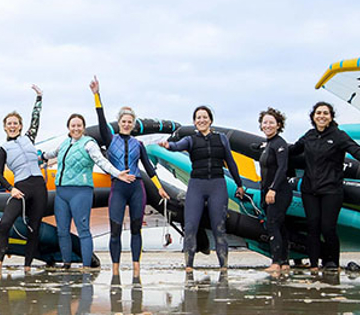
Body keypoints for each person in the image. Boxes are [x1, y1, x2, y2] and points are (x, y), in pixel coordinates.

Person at [89, 77, 170, 276]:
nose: (126, 124)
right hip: (118, 187)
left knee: (136, 230)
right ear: (119, 123)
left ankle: (136, 267)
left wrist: (159, 187)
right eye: (123, 121)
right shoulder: (110, 139)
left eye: (129, 122)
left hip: (136, 188)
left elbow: (149, 168)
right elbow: (100, 122)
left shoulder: (138, 144)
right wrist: (97, 96)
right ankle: (115, 269)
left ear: (133, 124)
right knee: (115, 230)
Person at [290, 101, 360, 271]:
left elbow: (357, 152)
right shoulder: (308, 135)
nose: (322, 116)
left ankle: (332, 263)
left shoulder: (339, 136)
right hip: (310, 189)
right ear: (313, 117)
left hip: (332, 190)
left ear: (331, 117)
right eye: (318, 113)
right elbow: (293, 150)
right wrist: (272, 151)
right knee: (313, 226)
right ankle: (314, 263)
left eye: (325, 113)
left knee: (328, 227)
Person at [158, 106, 245, 270]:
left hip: (217, 185)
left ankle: (224, 266)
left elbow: (231, 162)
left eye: (205, 117)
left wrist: (239, 184)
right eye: (198, 118)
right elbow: (178, 145)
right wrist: (168, 145)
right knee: (190, 226)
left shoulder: (221, 139)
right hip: (197, 186)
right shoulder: (190, 140)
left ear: (210, 120)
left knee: (219, 226)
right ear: (194, 122)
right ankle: (189, 266)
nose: (201, 120)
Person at [43, 113, 133, 270]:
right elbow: (49, 155)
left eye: (79, 126)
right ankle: (66, 263)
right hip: (62, 191)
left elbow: (101, 161)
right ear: (69, 128)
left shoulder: (89, 144)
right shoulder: (64, 144)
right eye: (73, 126)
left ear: (83, 128)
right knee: (62, 230)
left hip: (81, 191)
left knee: (83, 229)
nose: (76, 128)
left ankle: (86, 266)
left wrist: (117, 173)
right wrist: (39, 156)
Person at [0, 85, 47, 275]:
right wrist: (11, 189)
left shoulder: (29, 138)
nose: (13, 125)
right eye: (9, 123)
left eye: (16, 123)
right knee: (5, 223)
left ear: (20, 126)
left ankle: (27, 266)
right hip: (21, 188)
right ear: (5, 126)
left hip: (39, 186)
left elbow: (36, 119)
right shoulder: (3, 148)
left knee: (34, 227)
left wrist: (39, 98)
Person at [257, 108, 291, 274]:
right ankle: (284, 262)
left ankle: (276, 262)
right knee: (280, 225)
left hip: (279, 191)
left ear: (278, 125)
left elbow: (282, 168)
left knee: (273, 225)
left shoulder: (280, 143)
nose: (268, 125)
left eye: (271, 122)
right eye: (265, 122)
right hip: (269, 191)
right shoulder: (268, 144)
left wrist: (273, 189)